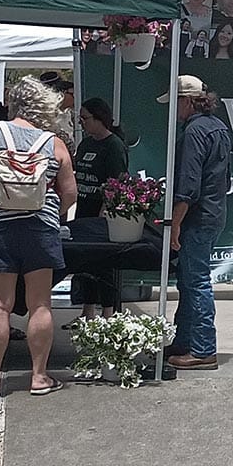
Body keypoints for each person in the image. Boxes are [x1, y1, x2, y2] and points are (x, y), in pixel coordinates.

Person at [0, 75, 77, 399]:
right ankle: (39, 377)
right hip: (40, 228)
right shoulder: (53, 143)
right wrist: (55, 213)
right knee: (40, 304)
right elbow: (70, 193)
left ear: (14, 103)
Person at [164, 75, 230, 371]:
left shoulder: (193, 132)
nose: (174, 109)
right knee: (190, 279)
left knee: (196, 281)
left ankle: (203, 348)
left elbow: (189, 184)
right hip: (213, 212)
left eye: (177, 102)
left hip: (196, 215)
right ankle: (185, 341)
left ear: (188, 101)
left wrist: (175, 222)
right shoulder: (218, 128)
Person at [70, 98, 130, 324]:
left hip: (101, 212)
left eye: (85, 118)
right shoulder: (86, 144)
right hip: (83, 208)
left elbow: (117, 182)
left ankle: (108, 312)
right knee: (85, 262)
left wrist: (105, 209)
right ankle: (87, 311)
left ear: (99, 118)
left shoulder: (113, 145)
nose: (81, 123)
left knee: (103, 263)